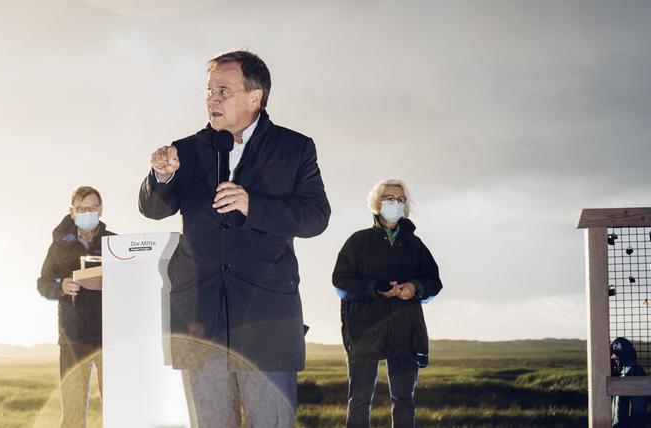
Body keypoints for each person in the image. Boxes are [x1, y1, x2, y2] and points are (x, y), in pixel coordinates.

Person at [138, 50, 332, 427]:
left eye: (223, 90)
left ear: (255, 97)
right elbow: (154, 209)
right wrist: (161, 178)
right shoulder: (188, 149)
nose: (212, 98)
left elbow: (316, 217)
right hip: (201, 318)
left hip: (265, 320)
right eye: (209, 90)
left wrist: (252, 205)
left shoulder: (295, 148)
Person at [331, 179, 442, 428]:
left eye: (400, 199)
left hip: (405, 330)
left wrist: (415, 287)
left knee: (404, 399)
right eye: (389, 198)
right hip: (364, 330)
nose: (395, 203)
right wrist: (376, 288)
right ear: (376, 203)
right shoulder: (358, 242)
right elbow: (340, 281)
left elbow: (434, 281)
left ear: (406, 205)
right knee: (359, 400)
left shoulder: (415, 245)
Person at [37, 186, 115, 428]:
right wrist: (61, 286)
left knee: (117, 410)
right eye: (81, 209)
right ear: (72, 212)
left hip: (110, 338)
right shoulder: (59, 247)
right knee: (72, 414)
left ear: (101, 210)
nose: (87, 213)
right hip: (72, 339)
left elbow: (133, 279)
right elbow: (43, 283)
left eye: (92, 208)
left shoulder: (116, 243)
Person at [611, 337, 650, 427]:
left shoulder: (634, 372)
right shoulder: (621, 373)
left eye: (615, 354)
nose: (612, 357)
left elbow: (638, 411)